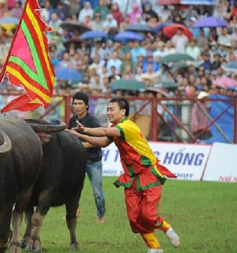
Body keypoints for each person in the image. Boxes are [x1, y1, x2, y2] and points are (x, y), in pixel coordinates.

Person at [66, 97, 180, 253]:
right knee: (134, 218)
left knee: (148, 215)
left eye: (111, 109)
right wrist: (80, 137)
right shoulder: (115, 128)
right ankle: (155, 248)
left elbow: (105, 131)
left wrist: (83, 131)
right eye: (107, 109)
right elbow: (102, 142)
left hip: (148, 174)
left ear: (123, 111)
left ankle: (166, 228)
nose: (108, 112)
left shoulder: (127, 126)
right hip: (131, 178)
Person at [67, 92, 106, 223]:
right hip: (77, 160)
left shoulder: (93, 121)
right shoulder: (73, 119)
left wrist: (81, 145)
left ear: (87, 106)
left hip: (93, 160)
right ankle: (75, 212)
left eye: (80, 104)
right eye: (75, 103)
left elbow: (100, 139)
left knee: (97, 191)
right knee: (73, 189)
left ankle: (101, 214)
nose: (77, 106)